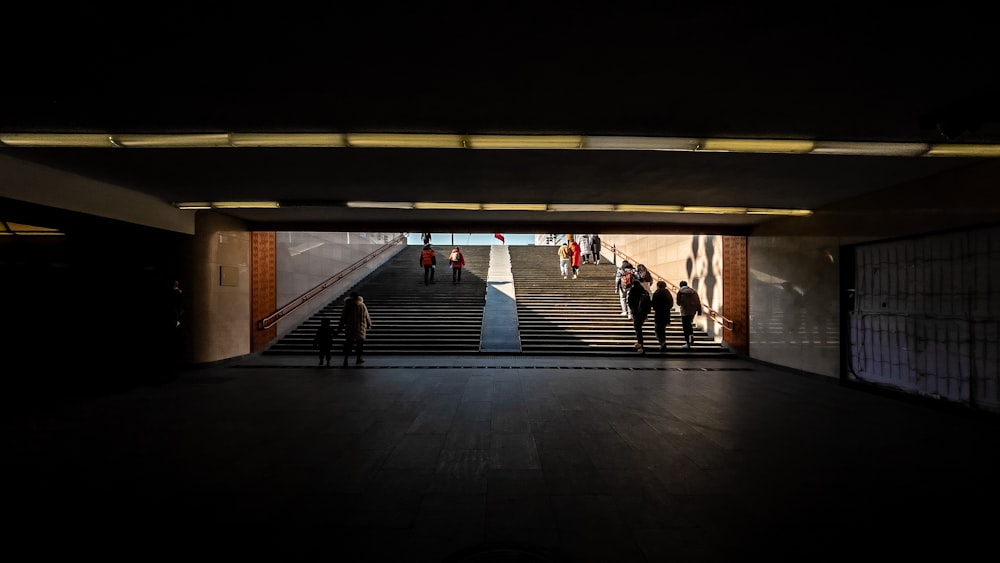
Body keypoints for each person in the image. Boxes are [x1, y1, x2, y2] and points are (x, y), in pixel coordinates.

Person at [337, 291, 372, 366]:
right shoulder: (362, 305)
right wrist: (369, 324)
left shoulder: (348, 305)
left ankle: (346, 359)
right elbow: (367, 316)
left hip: (350, 327)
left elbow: (343, 317)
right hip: (361, 328)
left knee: (349, 344)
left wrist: (340, 326)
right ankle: (359, 358)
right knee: (360, 345)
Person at [626, 278, 652, 353]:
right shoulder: (644, 291)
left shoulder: (633, 290)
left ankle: (640, 344)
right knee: (639, 327)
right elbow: (648, 302)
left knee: (637, 328)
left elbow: (630, 301)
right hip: (643, 313)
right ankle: (640, 343)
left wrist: (632, 310)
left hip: (636, 312)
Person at [676, 280, 703, 349]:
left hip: (685, 311)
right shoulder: (693, 291)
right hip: (692, 311)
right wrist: (699, 311)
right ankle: (691, 334)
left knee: (685, 326)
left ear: (680, 285)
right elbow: (698, 301)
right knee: (689, 323)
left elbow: (678, 303)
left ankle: (687, 342)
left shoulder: (680, 292)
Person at [651, 280, 674, 352]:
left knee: (658, 329)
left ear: (658, 286)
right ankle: (663, 342)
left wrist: (655, 308)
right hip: (666, 313)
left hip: (659, 313)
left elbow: (653, 303)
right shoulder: (668, 293)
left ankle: (662, 342)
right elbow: (671, 303)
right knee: (662, 329)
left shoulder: (657, 293)